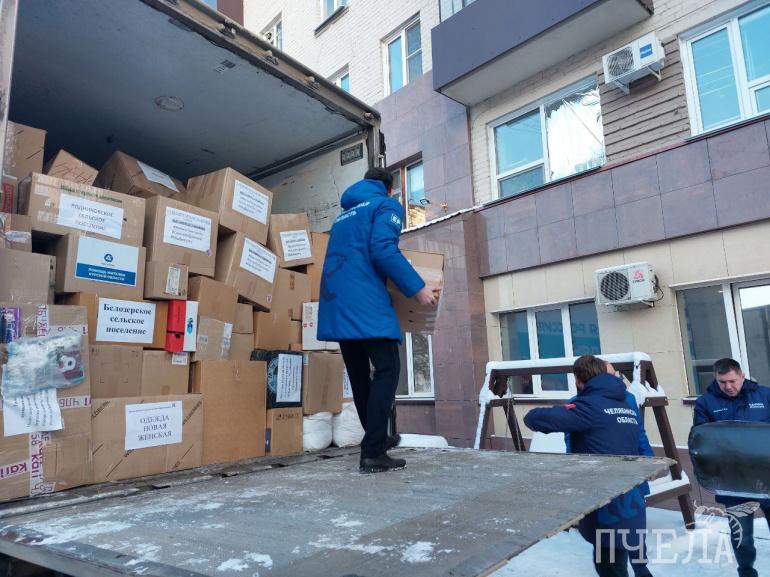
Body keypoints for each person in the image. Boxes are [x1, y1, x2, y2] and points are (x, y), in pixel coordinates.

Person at [317, 167, 438, 474]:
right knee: (388, 369)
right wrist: (418, 289)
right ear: (389, 189)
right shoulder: (385, 205)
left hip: (337, 304)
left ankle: (377, 440)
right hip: (365, 303)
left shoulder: (343, 216)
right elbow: (383, 250)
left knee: (359, 376)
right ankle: (373, 452)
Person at [524, 355, 648, 577]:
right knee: (621, 553)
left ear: (578, 380)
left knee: (610, 567)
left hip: (607, 504)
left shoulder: (589, 407)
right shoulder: (624, 403)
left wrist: (568, 409)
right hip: (629, 497)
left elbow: (534, 418)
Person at [564, 361, 655, 577]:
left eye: (615, 375)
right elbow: (572, 447)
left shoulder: (628, 399)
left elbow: (638, 433)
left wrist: (648, 461)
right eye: (610, 375)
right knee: (609, 548)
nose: (615, 380)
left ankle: (640, 568)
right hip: (601, 485)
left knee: (632, 531)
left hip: (631, 479)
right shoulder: (578, 406)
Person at [691, 358, 770, 577]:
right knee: (742, 538)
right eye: (722, 382)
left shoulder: (764, 396)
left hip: (766, 477)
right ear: (715, 378)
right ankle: (746, 572)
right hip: (733, 482)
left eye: (732, 381)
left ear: (742, 376)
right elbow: (702, 440)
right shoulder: (706, 403)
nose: (728, 386)